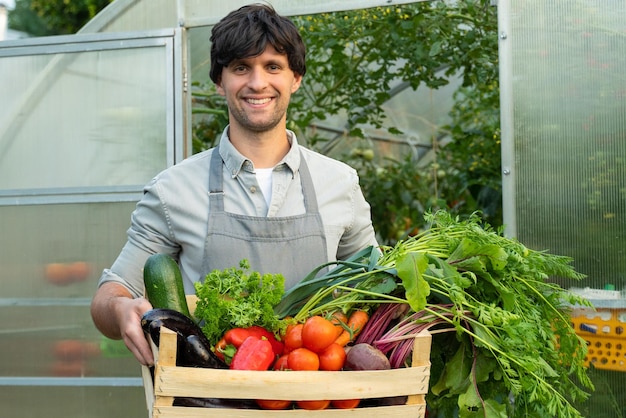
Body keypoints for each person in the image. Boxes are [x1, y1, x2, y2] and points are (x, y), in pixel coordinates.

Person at [90, 3, 378, 366]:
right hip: (211, 396)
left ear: (296, 78)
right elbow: (111, 293)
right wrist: (121, 309)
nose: (257, 83)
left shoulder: (339, 183)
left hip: (318, 399)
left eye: (273, 66)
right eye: (241, 68)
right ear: (219, 81)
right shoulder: (173, 190)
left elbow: (376, 284)